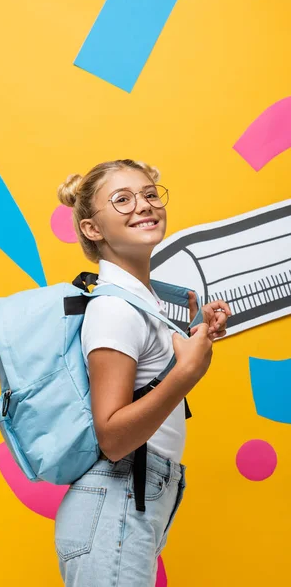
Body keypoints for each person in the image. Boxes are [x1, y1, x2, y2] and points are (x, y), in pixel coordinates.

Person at [54, 159, 231, 586]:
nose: (144, 205)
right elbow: (113, 437)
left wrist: (192, 339)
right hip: (118, 493)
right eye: (122, 200)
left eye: (150, 194)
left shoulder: (139, 303)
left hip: (134, 496)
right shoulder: (114, 308)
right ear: (92, 229)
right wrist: (186, 373)